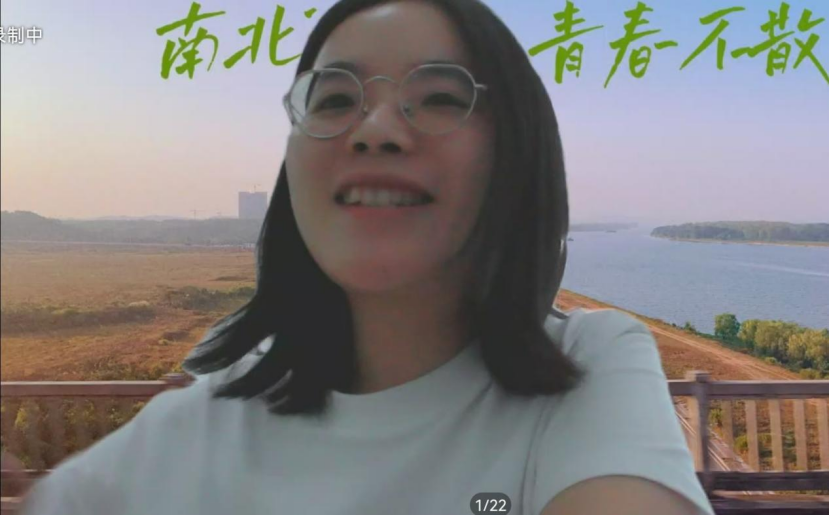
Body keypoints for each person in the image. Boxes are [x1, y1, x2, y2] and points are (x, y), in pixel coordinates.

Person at [19, 1, 715, 514]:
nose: (375, 128)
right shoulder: (211, 410)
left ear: (515, 153)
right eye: (333, 99)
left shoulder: (591, 365)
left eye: (438, 97)